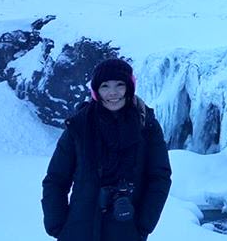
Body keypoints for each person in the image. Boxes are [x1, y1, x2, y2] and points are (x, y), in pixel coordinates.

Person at [42, 58, 172, 241]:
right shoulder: (79, 127)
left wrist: (143, 226)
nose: (113, 93)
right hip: (78, 232)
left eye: (120, 85)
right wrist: (57, 226)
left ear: (129, 87)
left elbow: (159, 178)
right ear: (96, 91)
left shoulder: (147, 127)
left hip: (126, 231)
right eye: (105, 86)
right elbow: (56, 179)